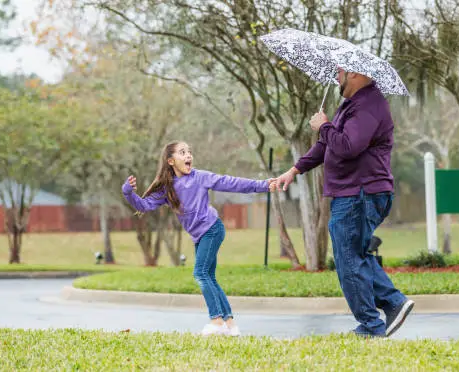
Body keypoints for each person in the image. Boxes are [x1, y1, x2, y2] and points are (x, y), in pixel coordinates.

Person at [275, 67, 414, 338]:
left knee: (349, 259)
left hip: (359, 193)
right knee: (354, 256)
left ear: (354, 74)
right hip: (353, 193)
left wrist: (323, 126)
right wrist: (295, 169)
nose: (335, 77)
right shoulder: (352, 105)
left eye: (339, 72)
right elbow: (327, 145)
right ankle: (392, 304)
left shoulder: (368, 106)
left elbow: (348, 146)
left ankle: (372, 325)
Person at [122, 141, 275, 336]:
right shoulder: (167, 189)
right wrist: (128, 193)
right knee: (208, 276)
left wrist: (263, 185)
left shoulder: (201, 177)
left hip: (212, 229)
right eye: (182, 152)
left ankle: (217, 321)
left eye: (189, 152)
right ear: (170, 161)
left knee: (200, 273)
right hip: (200, 235)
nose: (188, 156)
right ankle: (230, 324)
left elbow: (231, 183)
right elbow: (143, 205)